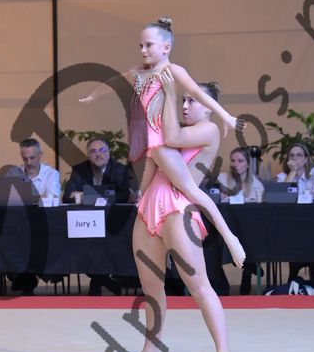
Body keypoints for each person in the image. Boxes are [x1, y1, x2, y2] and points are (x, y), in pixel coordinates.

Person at [79, 16, 246, 269]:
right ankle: (163, 246)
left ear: (166, 47)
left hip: (160, 142)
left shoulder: (172, 71)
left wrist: (225, 116)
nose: (143, 50)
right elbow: (115, 81)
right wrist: (94, 95)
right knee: (143, 198)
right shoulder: (138, 72)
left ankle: (230, 238)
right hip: (145, 143)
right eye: (141, 46)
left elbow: (198, 93)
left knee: (190, 189)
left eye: (149, 45)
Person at [132, 70, 234, 352]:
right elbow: (151, 164)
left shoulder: (209, 130)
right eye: (184, 100)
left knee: (199, 286)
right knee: (151, 286)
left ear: (209, 108)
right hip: (150, 206)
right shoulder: (174, 129)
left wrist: (165, 93)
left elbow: (168, 138)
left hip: (179, 209)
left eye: (193, 101)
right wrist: (141, 197)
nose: (186, 105)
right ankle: (150, 351)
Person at [63, 137, 137, 296]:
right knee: (82, 246)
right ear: (88, 155)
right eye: (93, 151)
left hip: (113, 223)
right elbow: (67, 197)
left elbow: (123, 196)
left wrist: (85, 195)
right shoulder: (79, 170)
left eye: (102, 150)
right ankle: (104, 280)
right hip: (86, 224)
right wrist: (104, 195)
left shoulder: (120, 170)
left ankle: (98, 281)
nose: (98, 154)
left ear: (109, 153)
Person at [6, 139, 63, 295]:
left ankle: (28, 278)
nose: (29, 163)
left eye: (32, 158)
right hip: (19, 227)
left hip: (45, 227)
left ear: (40, 155)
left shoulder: (51, 174)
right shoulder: (14, 173)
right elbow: (5, 199)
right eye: (25, 159)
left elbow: (53, 198)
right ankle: (27, 278)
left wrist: (24, 198)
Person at [275, 142, 314, 287]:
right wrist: (292, 172)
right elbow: (281, 196)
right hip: (290, 226)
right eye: (292, 156)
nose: (295, 158)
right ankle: (306, 271)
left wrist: (304, 196)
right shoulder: (282, 176)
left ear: (306, 159)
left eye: (299, 155)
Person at [217, 146, 264, 295]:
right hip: (226, 226)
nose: (235, 164)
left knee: (250, 235)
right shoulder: (221, 179)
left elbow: (259, 206)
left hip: (248, 228)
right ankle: (248, 266)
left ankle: (247, 267)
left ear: (248, 164)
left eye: (240, 161)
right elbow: (215, 198)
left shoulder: (256, 184)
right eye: (233, 160)